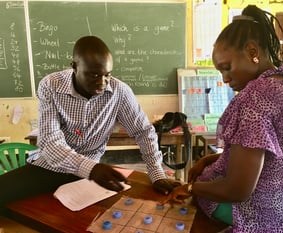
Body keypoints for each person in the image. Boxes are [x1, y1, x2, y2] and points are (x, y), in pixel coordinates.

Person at [160, 5, 283, 233]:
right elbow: (275, 155)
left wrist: (191, 188)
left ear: (252, 51)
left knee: (200, 199)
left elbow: (238, 190)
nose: (225, 79)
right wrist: (209, 161)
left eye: (226, 67)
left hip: (264, 217)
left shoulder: (255, 96)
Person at [0, 35, 180, 210]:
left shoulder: (120, 92)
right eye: (93, 75)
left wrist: (157, 174)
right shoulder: (51, 85)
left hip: (90, 176)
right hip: (50, 167)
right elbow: (50, 143)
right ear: (74, 67)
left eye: (107, 75)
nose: (102, 83)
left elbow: (143, 131)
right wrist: (90, 169)